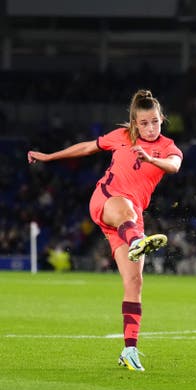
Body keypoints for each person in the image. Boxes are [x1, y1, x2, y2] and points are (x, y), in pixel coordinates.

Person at [27, 89, 183, 372]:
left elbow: (173, 167)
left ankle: (130, 350)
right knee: (127, 212)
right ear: (135, 124)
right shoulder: (121, 137)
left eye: (155, 122)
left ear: (162, 120)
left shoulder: (169, 148)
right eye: (144, 123)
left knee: (134, 283)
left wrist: (150, 159)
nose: (150, 127)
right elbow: (87, 147)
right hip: (107, 200)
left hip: (128, 221)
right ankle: (138, 240)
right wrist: (49, 157)